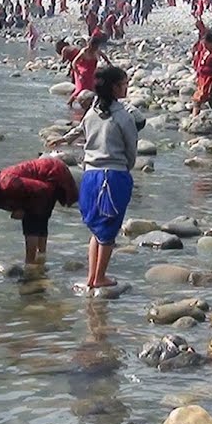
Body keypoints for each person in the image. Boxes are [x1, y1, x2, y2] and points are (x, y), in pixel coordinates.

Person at [52, 66, 139, 289]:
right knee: (108, 229)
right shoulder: (124, 116)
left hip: (90, 176)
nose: (127, 87)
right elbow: (131, 150)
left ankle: (92, 277)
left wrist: (64, 139)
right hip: (113, 176)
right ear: (114, 88)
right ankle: (99, 278)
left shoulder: (91, 113)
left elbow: (80, 130)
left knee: (96, 229)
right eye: (124, 84)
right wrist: (126, 169)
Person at [67, 35, 112, 108]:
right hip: (82, 72)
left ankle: (91, 106)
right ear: (90, 45)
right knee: (80, 90)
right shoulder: (84, 51)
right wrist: (79, 75)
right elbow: (74, 63)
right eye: (94, 46)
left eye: (97, 46)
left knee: (92, 89)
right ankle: (69, 104)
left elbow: (104, 56)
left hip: (91, 72)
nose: (95, 48)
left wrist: (109, 63)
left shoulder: (96, 50)